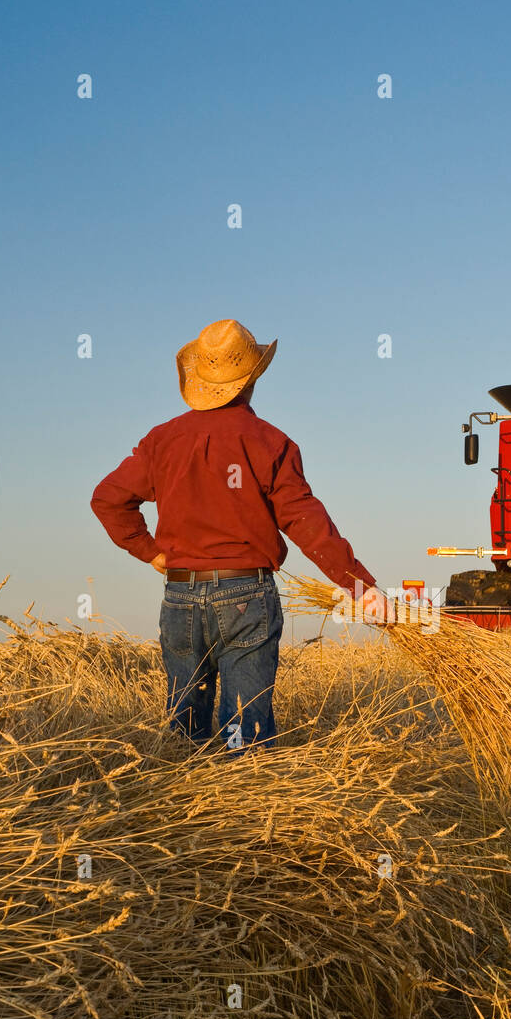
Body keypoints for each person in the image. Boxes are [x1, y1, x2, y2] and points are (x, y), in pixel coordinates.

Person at [91, 318, 388, 753]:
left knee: (183, 731)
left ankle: (180, 810)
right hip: (246, 594)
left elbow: (108, 498)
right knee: (245, 734)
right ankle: (242, 814)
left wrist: (151, 553)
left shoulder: (163, 440)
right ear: (252, 380)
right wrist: (360, 586)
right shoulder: (270, 442)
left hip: (180, 596)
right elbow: (306, 520)